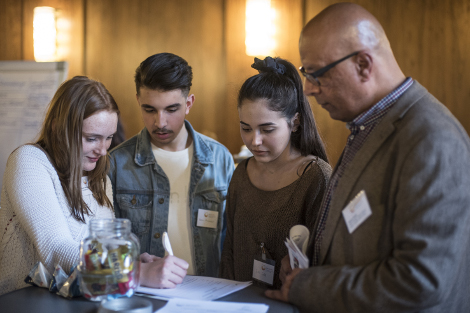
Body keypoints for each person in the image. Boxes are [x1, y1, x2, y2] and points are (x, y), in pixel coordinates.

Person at [265, 3, 470, 312]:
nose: (308, 89)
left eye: (317, 74)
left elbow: (420, 281)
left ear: (363, 64)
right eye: (306, 74)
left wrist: (308, 286)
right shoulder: (371, 123)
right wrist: (309, 261)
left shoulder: (431, 139)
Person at [108, 53, 234, 279]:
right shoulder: (116, 163)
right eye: (149, 109)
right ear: (138, 101)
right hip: (144, 294)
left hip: (208, 292)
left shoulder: (220, 158)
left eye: (171, 109)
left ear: (189, 104)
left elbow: (232, 239)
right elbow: (107, 245)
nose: (160, 122)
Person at [220, 57, 331, 288]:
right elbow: (229, 249)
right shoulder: (242, 172)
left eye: (267, 129)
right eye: (246, 128)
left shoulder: (315, 176)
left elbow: (325, 261)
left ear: (295, 122)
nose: (255, 141)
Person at [0, 76, 118, 295]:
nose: (102, 150)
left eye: (108, 137)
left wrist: (134, 257)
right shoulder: (29, 160)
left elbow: (104, 249)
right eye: (92, 138)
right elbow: (55, 249)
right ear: (58, 128)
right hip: (23, 303)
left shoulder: (100, 177)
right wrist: (128, 268)